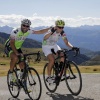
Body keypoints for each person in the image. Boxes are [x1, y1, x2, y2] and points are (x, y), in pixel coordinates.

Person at [42, 19, 79, 83]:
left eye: (62, 27)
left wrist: (73, 47)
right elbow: (45, 37)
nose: (61, 29)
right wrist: (52, 31)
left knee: (63, 55)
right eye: (59, 27)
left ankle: (60, 72)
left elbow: (66, 42)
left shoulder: (62, 32)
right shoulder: (51, 30)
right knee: (52, 60)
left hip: (54, 45)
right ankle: (48, 77)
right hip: (46, 46)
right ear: (56, 26)